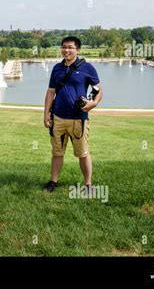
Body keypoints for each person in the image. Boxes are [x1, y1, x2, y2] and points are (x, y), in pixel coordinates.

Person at [43, 36, 103, 193]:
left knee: (83, 153)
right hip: (58, 118)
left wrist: (94, 103)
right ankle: (53, 181)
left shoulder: (87, 68)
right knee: (57, 152)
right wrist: (46, 114)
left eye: (70, 47)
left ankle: (88, 184)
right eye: (64, 47)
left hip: (78, 119)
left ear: (78, 50)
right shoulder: (57, 68)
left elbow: (98, 90)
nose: (66, 50)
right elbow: (51, 92)